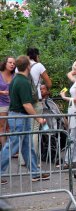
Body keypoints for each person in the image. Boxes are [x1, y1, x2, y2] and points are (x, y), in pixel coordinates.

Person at [0, 56, 50, 185]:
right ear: (28, 66)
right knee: (12, 146)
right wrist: (38, 118)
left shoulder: (16, 79)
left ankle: (34, 172)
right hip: (19, 117)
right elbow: (27, 105)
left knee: (27, 145)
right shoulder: (22, 82)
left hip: (18, 116)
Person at [27, 47, 52, 155]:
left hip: (23, 100)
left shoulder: (20, 66)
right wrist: (44, 88)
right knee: (35, 129)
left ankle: (22, 159)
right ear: (36, 55)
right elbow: (49, 83)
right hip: (35, 100)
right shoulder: (39, 66)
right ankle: (33, 157)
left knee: (25, 129)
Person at [0, 57, 15, 146]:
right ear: (5, 63)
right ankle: (4, 148)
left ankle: (12, 148)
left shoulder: (15, 75)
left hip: (13, 104)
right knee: (2, 126)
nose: (12, 64)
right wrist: (2, 92)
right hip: (1, 104)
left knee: (11, 126)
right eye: (10, 62)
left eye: (14, 63)